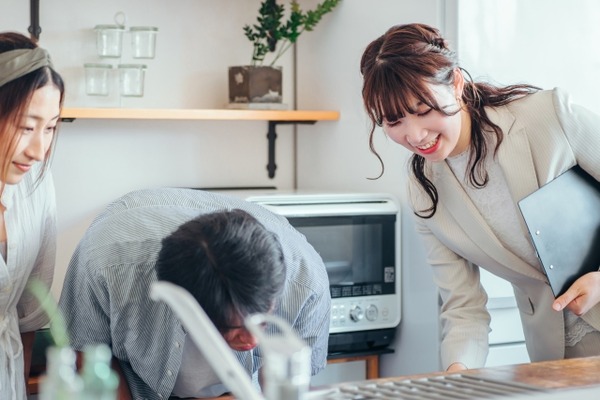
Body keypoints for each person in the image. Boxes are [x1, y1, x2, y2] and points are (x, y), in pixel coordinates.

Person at [360, 23, 600, 372]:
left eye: (424, 110)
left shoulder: (545, 116)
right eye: (394, 121)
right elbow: (463, 308)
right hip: (559, 355)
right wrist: (458, 376)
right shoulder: (424, 191)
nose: (415, 135)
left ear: (455, 84)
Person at [58, 188, 331, 400]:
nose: (251, 339)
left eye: (261, 320)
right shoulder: (107, 262)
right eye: (234, 328)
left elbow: (288, 390)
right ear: (182, 305)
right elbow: (87, 353)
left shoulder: (306, 285)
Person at [0, 32, 64, 398]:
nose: (40, 150)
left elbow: (30, 308)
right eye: (27, 127)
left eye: (51, 127)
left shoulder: (36, 183)